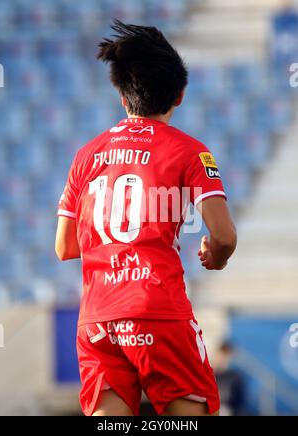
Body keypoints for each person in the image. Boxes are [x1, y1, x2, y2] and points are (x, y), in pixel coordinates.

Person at [55, 21, 237, 417]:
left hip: (98, 318)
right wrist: (215, 256)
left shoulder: (86, 156)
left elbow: (64, 246)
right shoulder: (190, 152)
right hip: (157, 309)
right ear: (181, 95)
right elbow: (223, 236)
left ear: (122, 98)